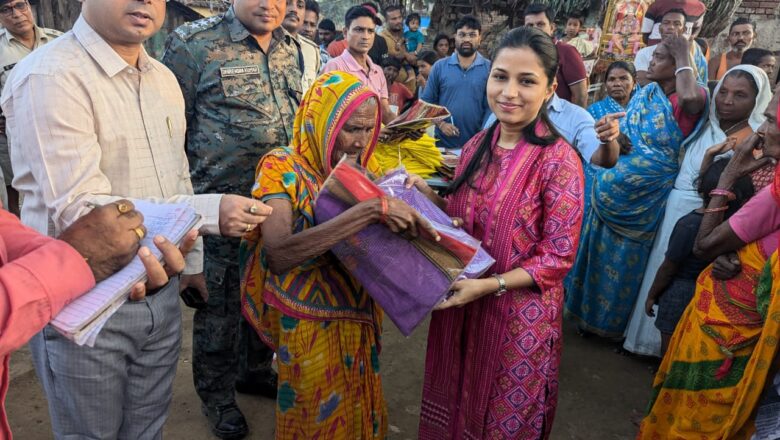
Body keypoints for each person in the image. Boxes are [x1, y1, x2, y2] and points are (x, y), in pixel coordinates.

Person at [3, 1, 274, 439]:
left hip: (159, 289)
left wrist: (194, 264)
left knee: (147, 429)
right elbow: (83, 210)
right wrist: (209, 213)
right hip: (86, 304)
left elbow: (177, 174)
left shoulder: (164, 79)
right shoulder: (51, 75)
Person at [410, 26, 584, 439]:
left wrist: (491, 285)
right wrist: (421, 198)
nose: (509, 92)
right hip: (463, 302)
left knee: (501, 417)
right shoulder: (476, 148)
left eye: (527, 81)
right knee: (456, 403)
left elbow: (557, 257)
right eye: (501, 76)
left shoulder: (559, 162)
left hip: (518, 319)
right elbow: (461, 222)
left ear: (550, 88)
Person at [241, 71, 436, 439]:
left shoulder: (365, 167)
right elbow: (279, 253)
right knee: (315, 418)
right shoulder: (282, 167)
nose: (360, 142)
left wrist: (417, 197)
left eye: (368, 130)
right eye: (351, 129)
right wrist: (369, 210)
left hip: (359, 311)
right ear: (322, 122)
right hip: (308, 323)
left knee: (357, 409)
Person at [162, 0, 301, 437]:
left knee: (261, 299)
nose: (270, 4)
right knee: (218, 312)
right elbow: (171, 136)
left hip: (272, 211)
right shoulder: (192, 45)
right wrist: (188, 220)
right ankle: (217, 396)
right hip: (217, 211)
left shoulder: (292, 48)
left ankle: (253, 370)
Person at [638, 91, 780, 438]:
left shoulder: (774, 196)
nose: (762, 129)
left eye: (773, 120)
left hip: (732, 348)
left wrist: (729, 175)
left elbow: (703, 245)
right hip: (731, 341)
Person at [0, 201, 199, 440]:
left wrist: (63, 256)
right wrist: (73, 260)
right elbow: (78, 199)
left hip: (132, 285)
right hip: (77, 305)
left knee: (148, 426)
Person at [622, 65, 773, 356]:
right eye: (723, 92)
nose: (727, 100)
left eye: (740, 95)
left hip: (713, 220)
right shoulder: (709, 125)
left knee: (687, 281)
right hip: (679, 213)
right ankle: (644, 342)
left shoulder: (754, 142)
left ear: (758, 101)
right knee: (665, 267)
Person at [565, 37, 708, 339]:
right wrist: (620, 139)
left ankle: (610, 327)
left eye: (659, 57)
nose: (651, 62)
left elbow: (691, 100)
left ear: (678, 65)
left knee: (624, 264)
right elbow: (627, 135)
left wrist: (684, 50)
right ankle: (586, 317)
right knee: (597, 258)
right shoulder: (647, 94)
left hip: (642, 201)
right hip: (609, 198)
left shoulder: (688, 99)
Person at [644, 158, 754, 355]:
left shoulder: (689, 224)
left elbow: (669, 267)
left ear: (703, 189)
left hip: (680, 292)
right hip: (713, 298)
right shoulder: (735, 233)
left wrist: (652, 295)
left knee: (669, 351)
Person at [0, 0, 61, 216]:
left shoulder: (58, 40)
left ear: (29, 6)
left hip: (59, 130)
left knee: (61, 189)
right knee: (18, 195)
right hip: (13, 139)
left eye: (20, 6)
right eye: (6, 10)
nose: (16, 14)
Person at [421, 15, 490, 154]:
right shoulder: (439, 67)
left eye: (472, 35)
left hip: (476, 147)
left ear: (479, 38)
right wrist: (441, 124)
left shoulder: (489, 69)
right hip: (443, 146)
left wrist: (483, 134)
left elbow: (491, 108)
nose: (466, 39)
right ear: (455, 37)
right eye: (462, 34)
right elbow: (426, 103)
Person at [322, 5, 394, 124]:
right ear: (345, 32)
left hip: (376, 140)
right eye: (359, 30)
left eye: (370, 31)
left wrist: (407, 128)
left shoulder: (377, 71)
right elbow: (325, 114)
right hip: (347, 142)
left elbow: (385, 112)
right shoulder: (335, 67)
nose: (365, 36)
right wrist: (367, 131)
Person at [524, 3, 589, 107]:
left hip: (557, 118)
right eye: (530, 25)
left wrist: (573, 121)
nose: (535, 29)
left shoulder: (567, 52)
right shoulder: (522, 53)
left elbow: (580, 96)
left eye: (540, 24)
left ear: (552, 27)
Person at [634, 8, 708, 87]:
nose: (671, 27)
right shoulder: (644, 53)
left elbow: (700, 84)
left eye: (676, 24)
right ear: (660, 29)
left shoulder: (694, 53)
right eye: (666, 23)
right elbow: (641, 80)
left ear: (684, 30)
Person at [282, 0, 321, 92]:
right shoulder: (265, 43)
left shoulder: (312, 50)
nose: (294, 10)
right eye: (287, 3)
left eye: (300, 6)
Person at [380, 5, 416, 94]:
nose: (398, 21)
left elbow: (413, 59)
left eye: (400, 17)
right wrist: (405, 55)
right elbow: (386, 59)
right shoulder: (381, 38)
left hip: (410, 91)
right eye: (394, 19)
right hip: (392, 92)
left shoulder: (405, 35)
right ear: (386, 21)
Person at [709, 18, 755, 82]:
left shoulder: (759, 62)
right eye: (735, 34)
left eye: (746, 33)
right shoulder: (716, 62)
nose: (740, 38)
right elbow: (708, 89)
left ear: (754, 37)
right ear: (729, 38)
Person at [641, 0, 705, 46]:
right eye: (666, 22)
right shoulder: (700, 7)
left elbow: (645, 34)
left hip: (656, 46)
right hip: (680, 49)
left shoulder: (657, 4)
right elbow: (697, 27)